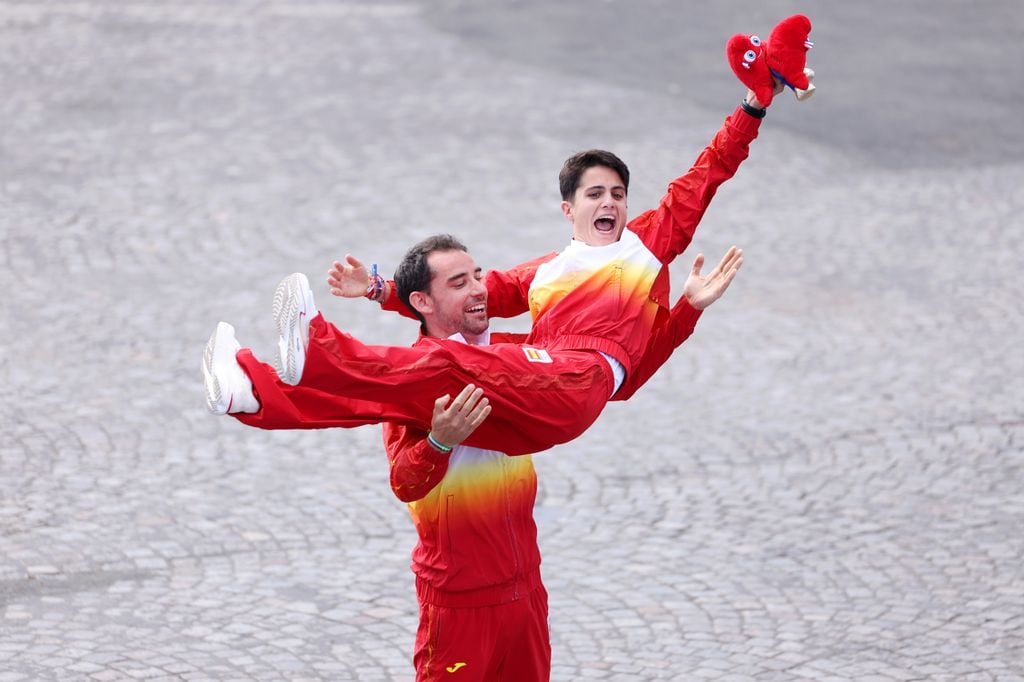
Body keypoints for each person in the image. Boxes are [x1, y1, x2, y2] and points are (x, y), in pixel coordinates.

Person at [202, 85, 774, 455]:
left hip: (575, 382)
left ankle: (319, 343)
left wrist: (753, 104)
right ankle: (253, 393)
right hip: (539, 396)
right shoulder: (544, 274)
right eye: (595, 194)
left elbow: (709, 171)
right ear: (568, 209)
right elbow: (459, 299)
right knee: (420, 387)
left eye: (618, 194)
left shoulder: (644, 246)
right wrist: (379, 288)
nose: (609, 204)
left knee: (450, 358)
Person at [343, 234, 718, 681]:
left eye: (478, 276)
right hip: (458, 601)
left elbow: (612, 378)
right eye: (460, 282)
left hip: (525, 593)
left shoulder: (516, 354)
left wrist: (686, 311)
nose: (480, 289)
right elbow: (404, 483)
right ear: (422, 301)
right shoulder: (415, 376)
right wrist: (439, 442)